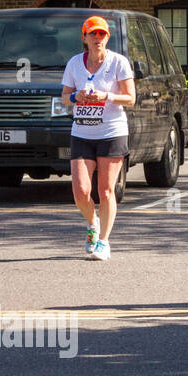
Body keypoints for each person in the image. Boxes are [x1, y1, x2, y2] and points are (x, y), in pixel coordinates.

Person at [61, 15, 135, 262]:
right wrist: (77, 97)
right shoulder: (74, 64)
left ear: (107, 38)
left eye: (102, 34)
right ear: (84, 38)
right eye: (92, 34)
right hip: (82, 132)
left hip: (111, 132)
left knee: (105, 191)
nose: (97, 38)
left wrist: (107, 96)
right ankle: (92, 222)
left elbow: (131, 98)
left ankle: (103, 241)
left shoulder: (118, 63)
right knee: (81, 191)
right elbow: (64, 97)